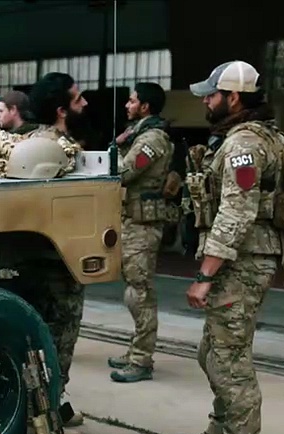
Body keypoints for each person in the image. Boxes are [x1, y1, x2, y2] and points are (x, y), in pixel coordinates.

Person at [177, 60, 280, 434]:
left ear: (234, 98)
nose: (206, 101)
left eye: (212, 95)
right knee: (212, 352)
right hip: (239, 260)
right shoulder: (241, 137)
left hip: (243, 262)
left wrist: (205, 276)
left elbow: (236, 213)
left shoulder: (244, 145)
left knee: (229, 359)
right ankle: (221, 431)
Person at [12, 71, 89, 434]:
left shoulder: (23, 141)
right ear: (61, 110)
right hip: (58, 262)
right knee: (57, 345)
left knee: (32, 340)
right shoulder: (60, 150)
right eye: (78, 99)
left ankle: (44, 406)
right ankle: (47, 415)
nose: (85, 104)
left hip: (27, 259)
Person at [108, 82, 178, 383]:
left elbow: (124, 173)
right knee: (134, 289)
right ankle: (135, 350)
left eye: (132, 101)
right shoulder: (138, 134)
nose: (127, 105)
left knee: (140, 293)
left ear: (145, 107)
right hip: (132, 222)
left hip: (143, 225)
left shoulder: (152, 139)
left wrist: (111, 154)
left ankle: (141, 359)